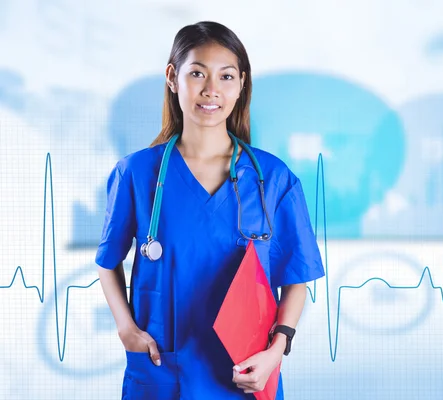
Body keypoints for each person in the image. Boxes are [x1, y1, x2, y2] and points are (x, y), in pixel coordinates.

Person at [95, 21, 325, 399]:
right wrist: (125, 328)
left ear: (242, 85)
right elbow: (108, 263)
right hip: (163, 373)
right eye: (197, 73)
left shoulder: (273, 178)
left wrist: (276, 351)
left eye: (226, 76)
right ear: (172, 77)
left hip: (246, 372)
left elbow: (296, 278)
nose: (211, 90)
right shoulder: (136, 173)